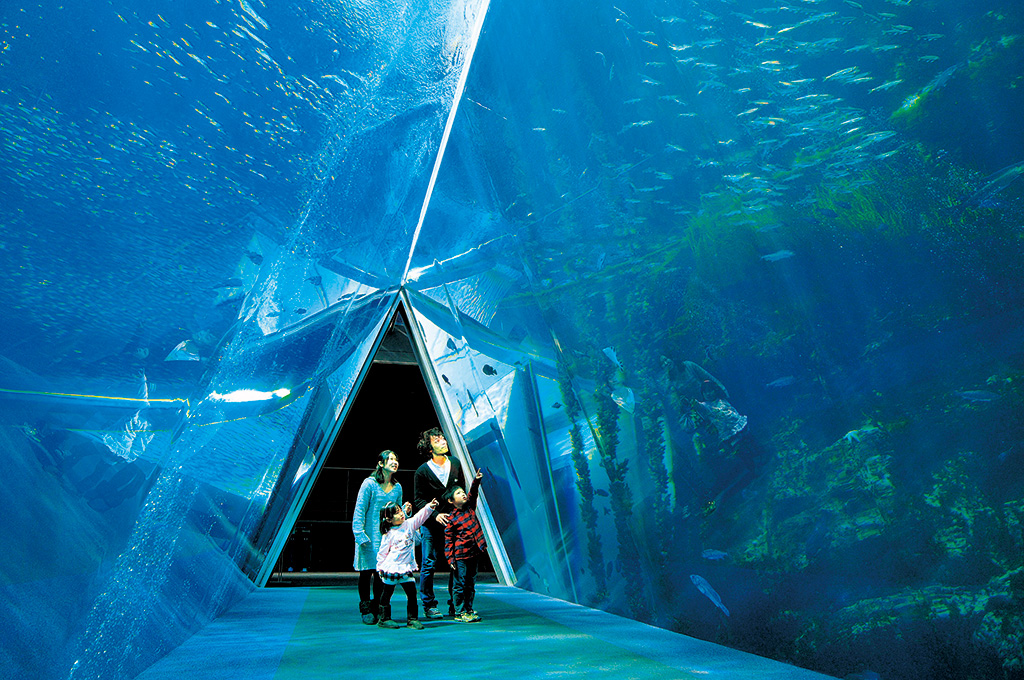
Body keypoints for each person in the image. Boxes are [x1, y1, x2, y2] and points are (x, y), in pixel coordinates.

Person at [352, 450, 410, 625]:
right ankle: (366, 608)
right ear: (380, 463)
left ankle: (377, 606)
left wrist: (405, 513)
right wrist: (359, 533)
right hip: (369, 535)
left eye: (396, 459)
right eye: (390, 459)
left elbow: (397, 514)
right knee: (366, 572)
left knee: (381, 574)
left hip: (387, 538)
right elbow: (360, 510)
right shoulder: (369, 484)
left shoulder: (397, 487)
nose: (394, 462)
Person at [412, 427, 465, 619]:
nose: (443, 442)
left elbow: (462, 493)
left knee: (458, 563)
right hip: (431, 525)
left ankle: (456, 603)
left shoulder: (456, 464)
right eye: (437, 440)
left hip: (454, 524)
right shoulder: (422, 471)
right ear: (429, 448)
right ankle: (429, 604)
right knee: (428, 563)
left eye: (443, 439)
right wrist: (434, 515)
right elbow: (418, 500)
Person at [376, 498, 439, 629]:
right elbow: (382, 552)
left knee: (411, 593)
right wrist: (380, 567)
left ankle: (412, 619)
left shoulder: (409, 524)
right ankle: (384, 618)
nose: (401, 514)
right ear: (389, 519)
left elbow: (420, 517)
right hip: (392, 568)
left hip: (405, 568)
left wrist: (429, 506)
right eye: (397, 513)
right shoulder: (388, 534)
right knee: (387, 593)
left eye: (400, 511)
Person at [443, 469, 487, 622]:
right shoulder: (452, 519)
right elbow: (448, 541)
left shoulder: (469, 508)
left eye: (462, 492)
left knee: (470, 584)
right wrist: (450, 559)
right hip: (460, 556)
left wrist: (476, 481)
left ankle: (469, 608)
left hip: (474, 554)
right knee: (459, 584)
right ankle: (459, 611)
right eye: (458, 493)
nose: (462, 494)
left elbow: (473, 493)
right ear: (451, 501)